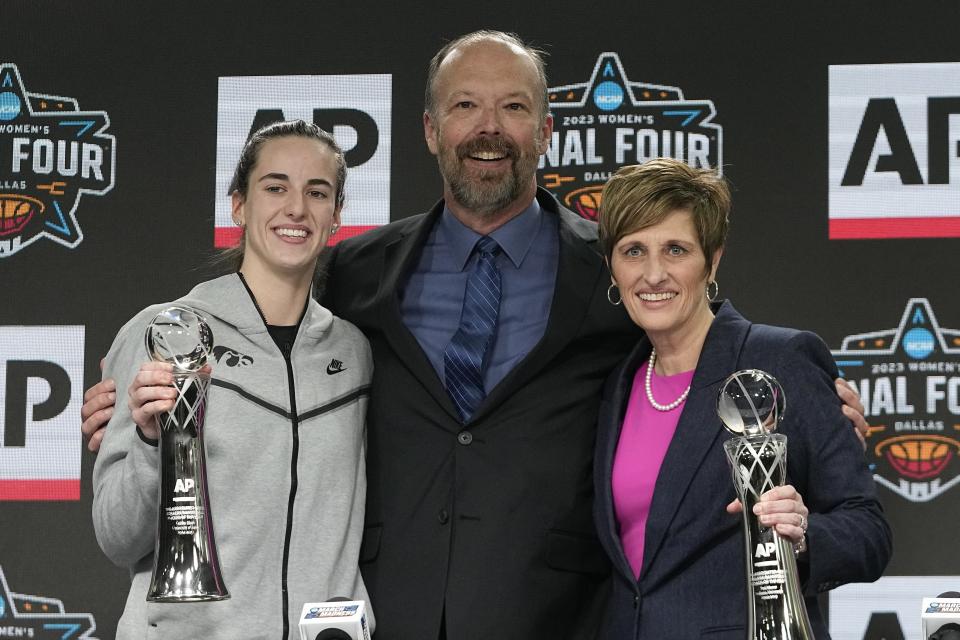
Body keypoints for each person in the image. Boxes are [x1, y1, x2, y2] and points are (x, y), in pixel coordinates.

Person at [82, 31, 870, 640]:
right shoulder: (354, 273)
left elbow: (695, 341)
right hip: (384, 616)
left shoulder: (612, 263)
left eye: (513, 107)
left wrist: (806, 410)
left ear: (546, 129)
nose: (487, 129)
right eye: (465, 106)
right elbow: (267, 341)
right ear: (429, 129)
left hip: (558, 616)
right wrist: (138, 415)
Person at [91, 120, 372, 640]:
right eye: (275, 187)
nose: (296, 208)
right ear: (239, 204)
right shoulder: (167, 332)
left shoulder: (354, 352)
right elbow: (116, 536)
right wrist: (152, 444)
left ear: (337, 216)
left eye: (317, 192)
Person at [592, 158, 892, 639]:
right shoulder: (616, 386)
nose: (653, 274)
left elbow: (868, 534)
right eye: (633, 251)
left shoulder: (780, 359)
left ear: (712, 260)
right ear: (612, 266)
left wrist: (801, 535)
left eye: (675, 249)